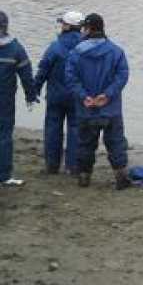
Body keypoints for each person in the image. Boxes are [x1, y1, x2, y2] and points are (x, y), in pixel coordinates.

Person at [65, 13, 132, 190]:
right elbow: (122, 76)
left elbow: (71, 79)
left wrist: (83, 96)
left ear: (88, 29)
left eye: (84, 28)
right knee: (116, 143)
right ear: (102, 28)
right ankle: (121, 178)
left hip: (86, 108)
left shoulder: (75, 53)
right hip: (110, 108)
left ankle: (84, 177)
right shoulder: (116, 51)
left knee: (85, 143)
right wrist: (107, 95)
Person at [33, 11, 85, 175]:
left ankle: (52, 165)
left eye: (62, 23)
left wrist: (34, 90)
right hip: (78, 95)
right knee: (76, 129)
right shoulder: (86, 48)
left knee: (52, 128)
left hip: (56, 95)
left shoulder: (55, 46)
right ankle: (73, 166)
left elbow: (43, 69)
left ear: (68, 26)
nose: (61, 25)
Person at [0, 10, 38, 186]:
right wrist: (31, 96)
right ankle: (5, 175)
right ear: (6, 26)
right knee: (4, 137)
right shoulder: (15, 49)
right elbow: (26, 75)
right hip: (4, 101)